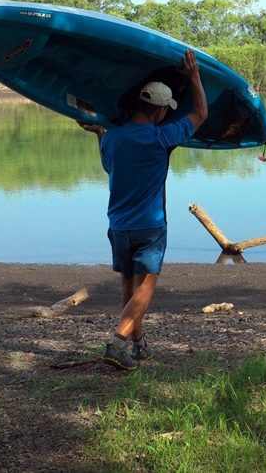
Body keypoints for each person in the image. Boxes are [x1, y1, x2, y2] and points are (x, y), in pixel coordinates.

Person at [79, 49, 208, 369]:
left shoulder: (113, 139)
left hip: (119, 226)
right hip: (150, 226)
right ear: (159, 112)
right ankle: (117, 343)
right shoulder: (162, 136)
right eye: (165, 110)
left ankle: (137, 345)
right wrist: (194, 77)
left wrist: (98, 134)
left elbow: (110, 168)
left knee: (128, 287)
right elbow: (201, 114)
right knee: (145, 289)